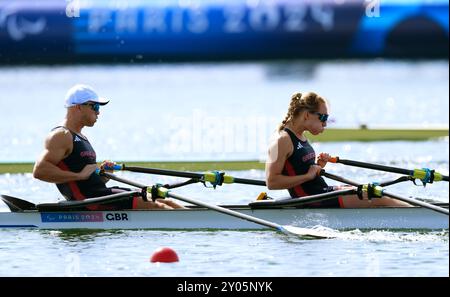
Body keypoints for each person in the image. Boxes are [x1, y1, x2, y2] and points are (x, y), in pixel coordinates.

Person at [33, 84, 183, 210]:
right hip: (89, 201)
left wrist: (103, 175)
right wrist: (79, 176)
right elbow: (40, 171)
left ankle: (200, 221)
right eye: (95, 106)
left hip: (100, 194)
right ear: (78, 107)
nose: (98, 112)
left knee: (162, 200)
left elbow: (86, 181)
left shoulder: (81, 137)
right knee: (158, 206)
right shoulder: (61, 135)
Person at [265, 91, 410, 208]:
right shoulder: (280, 140)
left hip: (320, 193)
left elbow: (298, 167)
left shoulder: (299, 135)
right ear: (307, 115)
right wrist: (308, 176)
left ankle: (414, 209)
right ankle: (422, 215)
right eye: (323, 117)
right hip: (311, 199)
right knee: (377, 196)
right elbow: (272, 182)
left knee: (373, 189)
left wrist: (317, 166)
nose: (325, 123)